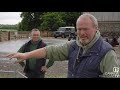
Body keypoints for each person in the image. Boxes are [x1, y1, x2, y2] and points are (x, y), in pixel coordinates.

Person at [7, 13, 120, 78]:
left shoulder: (108, 54)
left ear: (96, 29)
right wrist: (26, 55)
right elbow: (50, 51)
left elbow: (114, 75)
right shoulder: (73, 45)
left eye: (85, 29)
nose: (81, 33)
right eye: (79, 29)